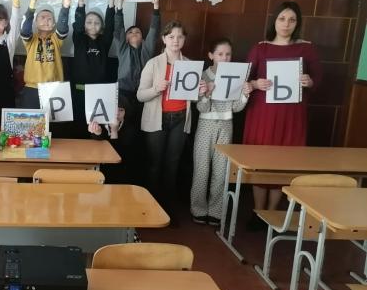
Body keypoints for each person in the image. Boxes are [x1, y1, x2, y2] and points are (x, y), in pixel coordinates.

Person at [243, 1, 321, 230]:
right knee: (260, 160)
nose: (286, 24)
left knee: (283, 162)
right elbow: (244, 80)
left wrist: (309, 81)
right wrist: (255, 83)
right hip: (263, 115)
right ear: (274, 21)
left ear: (298, 23)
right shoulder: (260, 48)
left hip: (292, 117)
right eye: (282, 18)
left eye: (292, 20)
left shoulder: (306, 49)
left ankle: (272, 213)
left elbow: (318, 79)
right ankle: (258, 211)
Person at [136, 21, 206, 225]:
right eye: (171, 36)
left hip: (180, 118)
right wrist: (156, 89)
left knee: (172, 165)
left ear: (184, 40)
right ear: (164, 39)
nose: (176, 40)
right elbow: (140, 95)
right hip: (157, 120)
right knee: (154, 165)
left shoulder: (191, 65)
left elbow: (195, 99)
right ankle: (149, 209)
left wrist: (201, 92)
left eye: (180, 37)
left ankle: (167, 210)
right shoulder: (153, 63)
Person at [191, 38, 252, 226]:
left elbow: (236, 107)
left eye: (228, 54)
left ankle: (216, 211)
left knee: (221, 170)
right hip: (205, 125)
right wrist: (206, 94)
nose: (224, 58)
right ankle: (198, 209)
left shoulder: (236, 75)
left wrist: (245, 93)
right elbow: (201, 108)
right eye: (220, 54)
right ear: (211, 55)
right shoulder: (203, 75)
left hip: (226, 126)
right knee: (201, 169)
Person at [71, 0, 116, 137]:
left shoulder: (104, 42)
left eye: (97, 22)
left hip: (98, 94)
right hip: (79, 92)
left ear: (101, 26)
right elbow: (77, 25)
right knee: (78, 128)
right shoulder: (79, 40)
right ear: (84, 24)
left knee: (95, 130)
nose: (92, 25)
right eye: (89, 22)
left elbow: (110, 26)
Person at [114, 0, 161, 127]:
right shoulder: (122, 49)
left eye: (138, 32)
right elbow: (118, 29)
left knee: (140, 127)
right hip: (123, 94)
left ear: (143, 38)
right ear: (125, 38)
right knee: (125, 128)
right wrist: (119, 4)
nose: (134, 33)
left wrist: (156, 5)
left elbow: (154, 30)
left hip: (144, 94)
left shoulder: (147, 50)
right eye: (130, 32)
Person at [18, 0, 70, 109]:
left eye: (49, 18)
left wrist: (66, 3)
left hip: (54, 88)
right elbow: (24, 30)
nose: (46, 20)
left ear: (54, 24)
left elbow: (62, 28)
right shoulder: (31, 40)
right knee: (31, 121)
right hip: (32, 88)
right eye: (42, 17)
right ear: (35, 23)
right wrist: (32, 5)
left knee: (53, 122)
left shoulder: (56, 39)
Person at [87, 94, 138, 184]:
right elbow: (96, 149)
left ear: (126, 112)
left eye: (121, 110)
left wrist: (114, 131)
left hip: (121, 170)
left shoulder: (130, 129)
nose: (117, 113)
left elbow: (117, 157)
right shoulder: (100, 122)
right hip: (102, 167)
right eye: (114, 110)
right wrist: (98, 134)